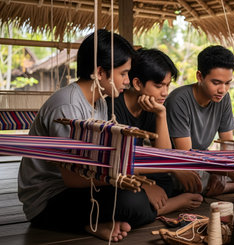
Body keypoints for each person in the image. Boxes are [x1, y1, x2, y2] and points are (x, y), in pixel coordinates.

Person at [18, 29, 143, 242]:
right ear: (101, 72)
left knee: (136, 199)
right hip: (49, 200)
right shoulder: (66, 106)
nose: (127, 81)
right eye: (123, 73)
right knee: (132, 201)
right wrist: (124, 175)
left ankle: (92, 223)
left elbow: (98, 159)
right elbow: (73, 178)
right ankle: (90, 223)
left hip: (79, 191)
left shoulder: (100, 102)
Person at [105, 48, 203, 215]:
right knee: (128, 201)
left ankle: (155, 204)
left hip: (138, 172)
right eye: (158, 86)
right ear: (137, 83)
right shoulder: (112, 108)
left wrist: (161, 115)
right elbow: (114, 164)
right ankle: (169, 205)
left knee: (169, 180)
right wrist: (144, 185)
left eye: (167, 85)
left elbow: (163, 159)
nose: (165, 92)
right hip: (116, 176)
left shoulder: (152, 108)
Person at [165, 45, 234, 196]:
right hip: (180, 165)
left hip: (205, 163)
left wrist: (221, 173)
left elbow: (227, 144)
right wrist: (227, 172)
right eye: (216, 82)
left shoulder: (223, 98)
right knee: (195, 180)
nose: (223, 89)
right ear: (199, 76)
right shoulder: (179, 100)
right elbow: (186, 155)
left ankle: (232, 185)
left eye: (227, 83)